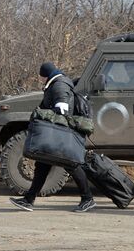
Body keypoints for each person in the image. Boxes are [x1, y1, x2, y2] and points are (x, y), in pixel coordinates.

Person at [9, 62, 96, 213]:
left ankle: (87, 199)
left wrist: (43, 115)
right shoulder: (58, 83)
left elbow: (62, 109)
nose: (40, 80)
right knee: (42, 166)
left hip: (59, 134)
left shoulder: (59, 86)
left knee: (72, 165)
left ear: (45, 75)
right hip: (57, 133)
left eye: (41, 77)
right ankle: (29, 200)